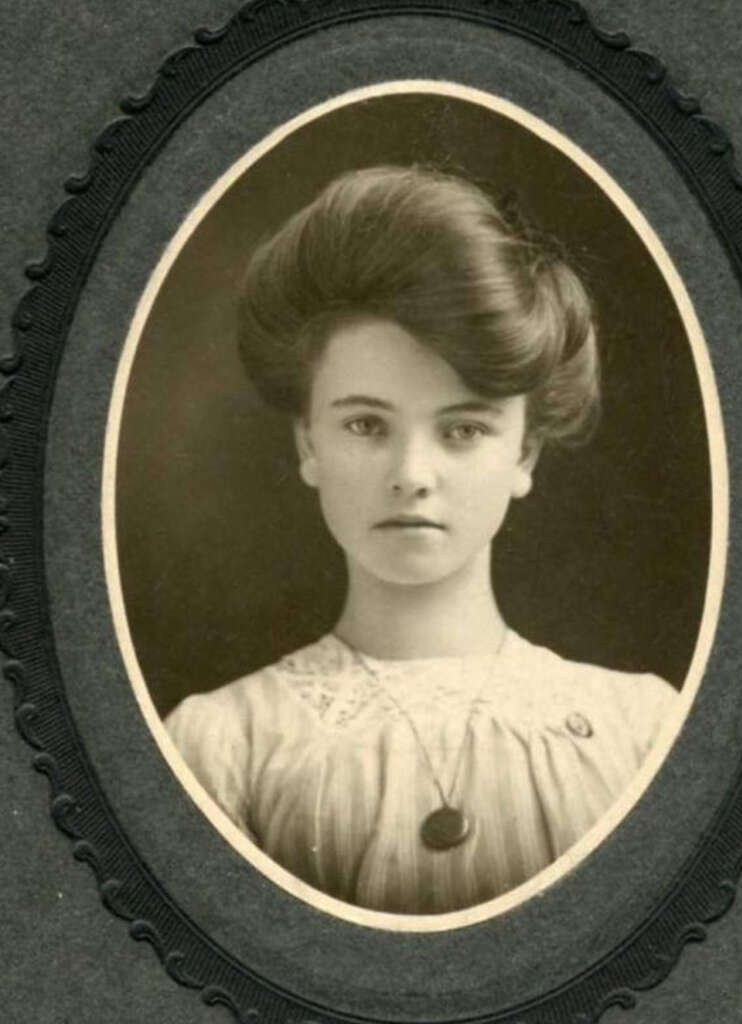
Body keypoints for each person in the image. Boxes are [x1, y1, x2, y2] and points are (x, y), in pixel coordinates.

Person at [164, 166, 675, 915]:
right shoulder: (223, 747)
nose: (412, 475)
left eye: (463, 430)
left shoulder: (643, 734)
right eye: (366, 425)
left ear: (524, 455)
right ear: (309, 443)